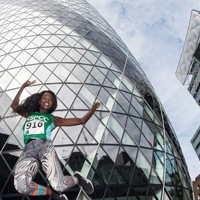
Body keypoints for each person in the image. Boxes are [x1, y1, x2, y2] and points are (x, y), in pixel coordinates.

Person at [11, 80, 100, 200]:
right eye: (44, 97)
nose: (47, 100)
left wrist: (93, 108)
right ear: (39, 100)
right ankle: (51, 194)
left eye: (50, 99)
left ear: (53, 104)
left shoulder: (53, 119)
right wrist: (23, 86)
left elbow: (82, 120)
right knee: (22, 186)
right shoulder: (30, 114)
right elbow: (14, 106)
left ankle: (78, 179)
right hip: (27, 151)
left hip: (44, 147)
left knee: (59, 185)